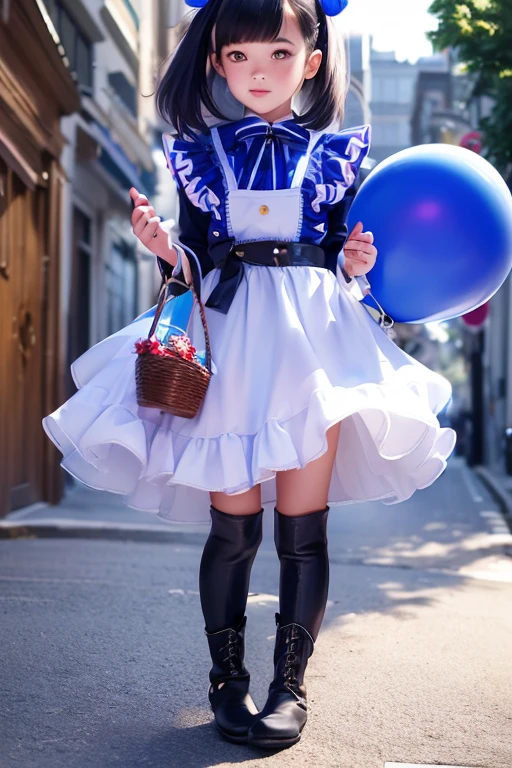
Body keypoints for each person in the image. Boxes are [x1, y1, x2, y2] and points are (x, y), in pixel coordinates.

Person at [43, 0, 457, 751]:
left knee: (304, 533)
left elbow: (340, 256)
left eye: (276, 52)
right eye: (239, 56)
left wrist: (356, 265)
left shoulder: (336, 153)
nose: (258, 71)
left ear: (312, 59)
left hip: (313, 342)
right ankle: (226, 685)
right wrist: (164, 245)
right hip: (230, 338)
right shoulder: (198, 151)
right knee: (233, 532)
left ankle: (288, 690)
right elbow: (195, 259)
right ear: (216, 62)